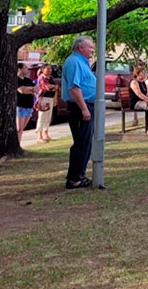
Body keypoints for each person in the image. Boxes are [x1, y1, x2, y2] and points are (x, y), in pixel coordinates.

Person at [61, 36, 97, 189]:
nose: (93, 50)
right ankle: (74, 178)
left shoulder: (83, 62)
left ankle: (79, 175)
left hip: (87, 105)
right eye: (90, 47)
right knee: (81, 143)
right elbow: (74, 88)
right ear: (81, 48)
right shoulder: (74, 62)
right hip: (79, 107)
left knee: (86, 143)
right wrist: (84, 108)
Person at [35, 64, 58, 142]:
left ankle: (46, 134)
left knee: (48, 117)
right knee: (42, 117)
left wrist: (54, 87)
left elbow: (56, 87)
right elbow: (46, 86)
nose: (49, 70)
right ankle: (39, 136)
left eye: (50, 68)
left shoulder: (50, 78)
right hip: (43, 98)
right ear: (43, 69)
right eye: (47, 68)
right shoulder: (42, 77)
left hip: (50, 98)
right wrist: (53, 87)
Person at [16, 63, 35, 143]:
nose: (27, 69)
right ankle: (17, 143)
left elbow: (36, 89)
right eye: (25, 67)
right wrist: (30, 90)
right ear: (19, 69)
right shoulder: (16, 80)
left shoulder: (28, 80)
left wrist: (28, 89)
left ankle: (18, 143)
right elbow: (22, 91)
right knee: (19, 128)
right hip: (20, 105)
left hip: (29, 106)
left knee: (23, 128)